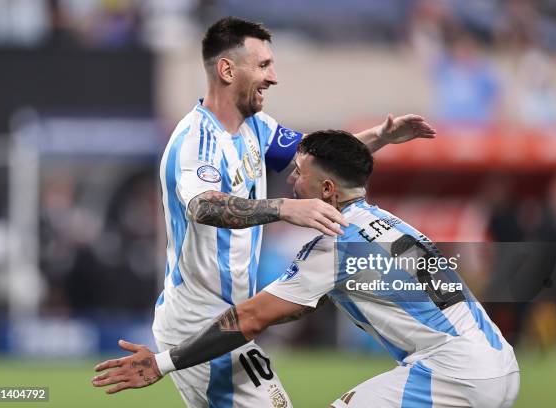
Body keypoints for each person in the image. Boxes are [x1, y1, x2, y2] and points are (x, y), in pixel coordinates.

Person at [94, 16, 435, 407]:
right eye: (263, 65)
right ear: (226, 69)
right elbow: (203, 205)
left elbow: (318, 161)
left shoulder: (258, 128)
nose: (273, 77)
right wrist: (284, 207)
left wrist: (380, 137)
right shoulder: (195, 142)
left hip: (227, 317)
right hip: (199, 320)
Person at [93, 130, 520, 407]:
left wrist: (164, 362)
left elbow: (252, 318)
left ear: (327, 190)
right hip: (501, 365)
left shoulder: (335, 245)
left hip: (453, 376)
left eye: (298, 174)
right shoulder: (391, 224)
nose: (292, 183)